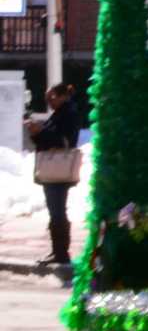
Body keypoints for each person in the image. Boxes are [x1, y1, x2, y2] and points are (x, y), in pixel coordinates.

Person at [30, 82, 82, 272]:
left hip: (60, 171)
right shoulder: (60, 113)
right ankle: (57, 251)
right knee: (55, 210)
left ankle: (61, 252)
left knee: (58, 210)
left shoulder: (69, 113)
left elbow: (64, 139)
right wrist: (36, 134)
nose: (49, 101)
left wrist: (41, 131)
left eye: (52, 97)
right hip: (54, 171)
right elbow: (48, 139)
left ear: (63, 96)